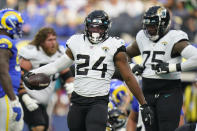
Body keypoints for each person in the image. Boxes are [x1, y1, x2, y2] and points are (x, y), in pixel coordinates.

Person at [23, 10, 154, 131]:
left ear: (106, 28)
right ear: (86, 26)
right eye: (93, 27)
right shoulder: (77, 42)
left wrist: (143, 104)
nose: (96, 31)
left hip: (98, 102)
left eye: (100, 27)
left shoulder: (114, 46)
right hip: (77, 101)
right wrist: (34, 73)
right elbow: (57, 66)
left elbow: (129, 77)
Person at [126, 5, 197, 131]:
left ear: (164, 24)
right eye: (147, 25)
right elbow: (122, 56)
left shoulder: (175, 38)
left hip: (168, 92)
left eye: (153, 26)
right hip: (147, 93)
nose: (149, 29)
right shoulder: (142, 36)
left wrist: (172, 67)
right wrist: (132, 66)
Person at [18, 27, 74, 131]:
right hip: (29, 97)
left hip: (46, 100)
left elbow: (67, 75)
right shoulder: (32, 53)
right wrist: (24, 96)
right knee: (39, 127)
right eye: (49, 40)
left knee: (45, 128)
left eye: (54, 39)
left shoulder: (59, 53)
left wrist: (71, 91)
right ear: (41, 42)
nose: (53, 43)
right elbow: (19, 76)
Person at [0, 8, 24, 131]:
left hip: (7, 95)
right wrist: (13, 100)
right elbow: (2, 71)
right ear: (10, 24)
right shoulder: (4, 41)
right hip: (5, 96)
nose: (20, 28)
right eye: (18, 25)